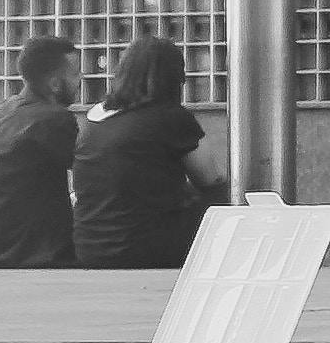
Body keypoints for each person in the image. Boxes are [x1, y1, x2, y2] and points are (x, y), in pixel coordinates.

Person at [73, 34, 229, 269]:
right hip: (147, 248)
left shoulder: (94, 116)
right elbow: (211, 178)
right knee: (216, 196)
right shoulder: (171, 117)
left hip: (89, 247)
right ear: (176, 78)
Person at [0, 33, 83, 269]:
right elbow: (97, 173)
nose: (80, 79)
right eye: (75, 73)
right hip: (38, 255)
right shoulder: (53, 119)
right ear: (55, 83)